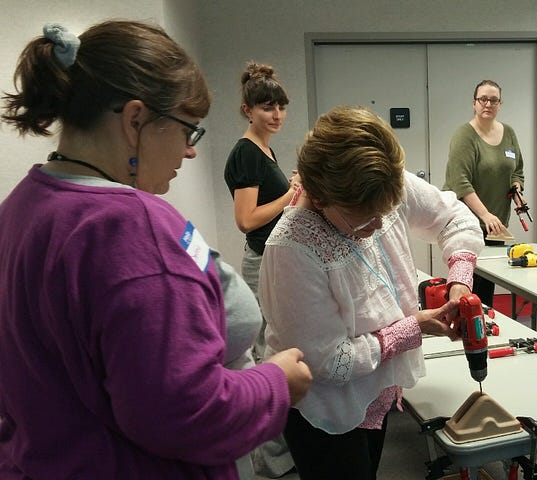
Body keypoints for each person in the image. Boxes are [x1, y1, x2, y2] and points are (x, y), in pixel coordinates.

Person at [0, 20, 312, 479]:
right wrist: (275, 384)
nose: (189, 152)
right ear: (134, 120)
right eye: (188, 131)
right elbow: (184, 413)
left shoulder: (22, 205)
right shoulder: (130, 226)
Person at [258, 106, 484, 480]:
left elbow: (454, 217)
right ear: (318, 198)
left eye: (387, 211)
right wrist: (412, 328)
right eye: (365, 219)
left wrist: (459, 279)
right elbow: (330, 363)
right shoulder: (292, 252)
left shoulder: (380, 184)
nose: (380, 225)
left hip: (374, 394)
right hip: (327, 412)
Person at [223, 62, 298, 478]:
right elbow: (246, 218)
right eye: (267, 107)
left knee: (272, 347)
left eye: (281, 106)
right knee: (264, 355)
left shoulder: (264, 149)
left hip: (272, 257)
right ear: (247, 109)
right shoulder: (246, 152)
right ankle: (270, 462)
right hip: (259, 259)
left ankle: (278, 455)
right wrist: (291, 193)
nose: (277, 115)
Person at [443, 79, 524, 307]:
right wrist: (485, 215)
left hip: (496, 226)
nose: (488, 104)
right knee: (468, 287)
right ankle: (467, 334)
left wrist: (517, 188)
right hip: (468, 225)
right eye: (483, 99)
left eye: (494, 100)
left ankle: (484, 333)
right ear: (474, 103)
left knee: (487, 286)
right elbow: (460, 183)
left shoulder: (508, 133)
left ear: (500, 104)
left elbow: (517, 170)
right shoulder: (464, 136)